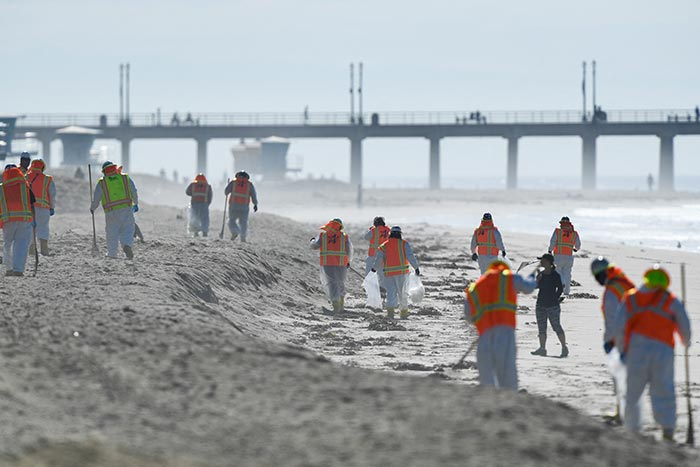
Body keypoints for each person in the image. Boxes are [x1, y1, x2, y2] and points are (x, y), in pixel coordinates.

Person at [612, 265, 691, 441]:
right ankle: (668, 429)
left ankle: (631, 429)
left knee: (633, 390)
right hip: (663, 350)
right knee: (663, 388)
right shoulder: (671, 300)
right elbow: (684, 326)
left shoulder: (631, 298)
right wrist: (686, 342)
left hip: (636, 348)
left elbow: (619, 327)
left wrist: (621, 348)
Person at [464, 260, 537, 391]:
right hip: (505, 334)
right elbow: (529, 287)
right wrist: (534, 276)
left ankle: (489, 402)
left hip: (484, 335)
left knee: (487, 378)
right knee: (508, 373)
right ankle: (508, 401)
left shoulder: (475, 287)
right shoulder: (511, 279)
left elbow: (469, 317)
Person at [591, 256, 635, 423]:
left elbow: (612, 320)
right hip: (636, 335)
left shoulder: (611, 291)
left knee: (619, 376)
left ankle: (622, 414)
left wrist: (610, 341)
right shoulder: (625, 283)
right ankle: (624, 412)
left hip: (620, 339)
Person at [367, 226, 420, 319]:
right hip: (402, 273)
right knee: (402, 293)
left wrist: (374, 269)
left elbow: (378, 260)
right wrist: (416, 267)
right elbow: (410, 256)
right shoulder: (404, 244)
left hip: (389, 274)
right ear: (400, 234)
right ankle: (403, 313)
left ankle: (390, 314)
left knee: (391, 293)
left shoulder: (384, 245)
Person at [90, 161, 139, 259]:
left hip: (111, 212)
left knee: (112, 232)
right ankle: (126, 245)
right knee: (128, 229)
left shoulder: (102, 182)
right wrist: (136, 203)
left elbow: (96, 198)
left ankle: (112, 254)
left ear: (104, 172)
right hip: (126, 208)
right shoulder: (125, 178)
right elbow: (134, 190)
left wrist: (93, 208)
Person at [310, 218, 353, 313]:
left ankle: (336, 306)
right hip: (341, 264)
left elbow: (314, 246)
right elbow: (349, 250)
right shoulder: (344, 236)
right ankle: (341, 305)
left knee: (332, 284)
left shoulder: (323, 235)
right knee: (340, 283)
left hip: (327, 263)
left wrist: (312, 240)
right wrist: (348, 261)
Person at [530, 253, 568, 357]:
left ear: (549, 263)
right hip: (540, 304)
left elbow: (560, 289)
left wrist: (554, 299)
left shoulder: (555, 275)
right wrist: (537, 280)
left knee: (556, 326)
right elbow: (535, 286)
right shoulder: (541, 274)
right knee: (541, 328)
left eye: (543, 260)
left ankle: (564, 347)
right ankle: (542, 348)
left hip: (552, 306)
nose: (541, 262)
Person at [0, 165, 35, 276]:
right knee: (22, 244)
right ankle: (18, 270)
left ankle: (9, 269)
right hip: (24, 220)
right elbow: (32, 203)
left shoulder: (1, 188)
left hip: (8, 220)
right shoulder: (25, 186)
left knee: (8, 244)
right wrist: (34, 220)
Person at [26, 159, 56, 256]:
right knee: (43, 228)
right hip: (43, 208)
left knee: (30, 230)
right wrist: (52, 207)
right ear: (42, 168)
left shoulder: (25, 177)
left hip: (29, 209)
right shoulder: (47, 179)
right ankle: (44, 250)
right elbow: (52, 195)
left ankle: (31, 251)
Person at [548, 216, 580, 297]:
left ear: (561, 223)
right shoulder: (574, 233)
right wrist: (576, 249)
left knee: (558, 272)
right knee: (567, 274)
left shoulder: (558, 232)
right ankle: (566, 291)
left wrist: (550, 250)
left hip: (558, 255)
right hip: (569, 256)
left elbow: (553, 241)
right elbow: (578, 245)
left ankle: (562, 285)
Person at [225, 171, 258, 242]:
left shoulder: (233, 182)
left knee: (231, 220)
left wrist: (228, 188)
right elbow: (253, 195)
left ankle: (235, 231)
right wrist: (255, 204)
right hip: (244, 206)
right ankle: (243, 237)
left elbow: (226, 192)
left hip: (233, 206)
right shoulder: (249, 185)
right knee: (243, 222)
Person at [363, 216, 390, 281]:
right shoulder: (388, 230)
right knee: (382, 272)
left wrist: (371, 229)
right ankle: (382, 286)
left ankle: (369, 284)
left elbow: (366, 237)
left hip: (374, 254)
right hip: (384, 254)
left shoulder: (374, 230)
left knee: (369, 271)